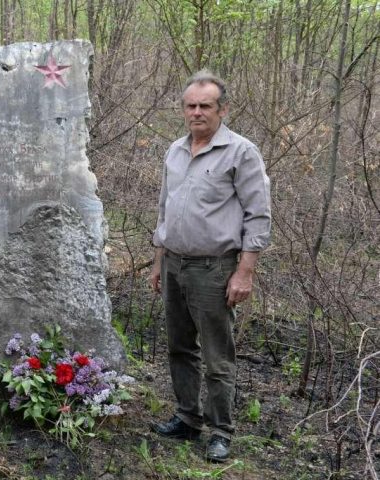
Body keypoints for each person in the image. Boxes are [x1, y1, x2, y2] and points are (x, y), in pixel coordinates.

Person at [149, 70, 271, 462]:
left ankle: (221, 431)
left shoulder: (241, 152)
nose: (197, 112)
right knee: (180, 347)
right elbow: (165, 209)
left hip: (213, 269)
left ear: (223, 109)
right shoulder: (175, 150)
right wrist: (158, 261)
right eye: (191, 106)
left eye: (205, 105)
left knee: (218, 356)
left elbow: (258, 215)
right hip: (174, 263)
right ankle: (187, 418)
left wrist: (244, 271)